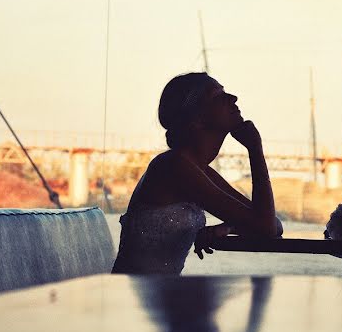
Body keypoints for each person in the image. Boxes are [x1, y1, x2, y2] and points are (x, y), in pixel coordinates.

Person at [112, 72, 283, 275]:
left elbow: (273, 224)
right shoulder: (174, 166)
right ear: (198, 120)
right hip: (134, 300)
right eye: (219, 96)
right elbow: (267, 227)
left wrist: (229, 227)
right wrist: (255, 149)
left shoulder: (197, 168)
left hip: (159, 297)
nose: (233, 98)